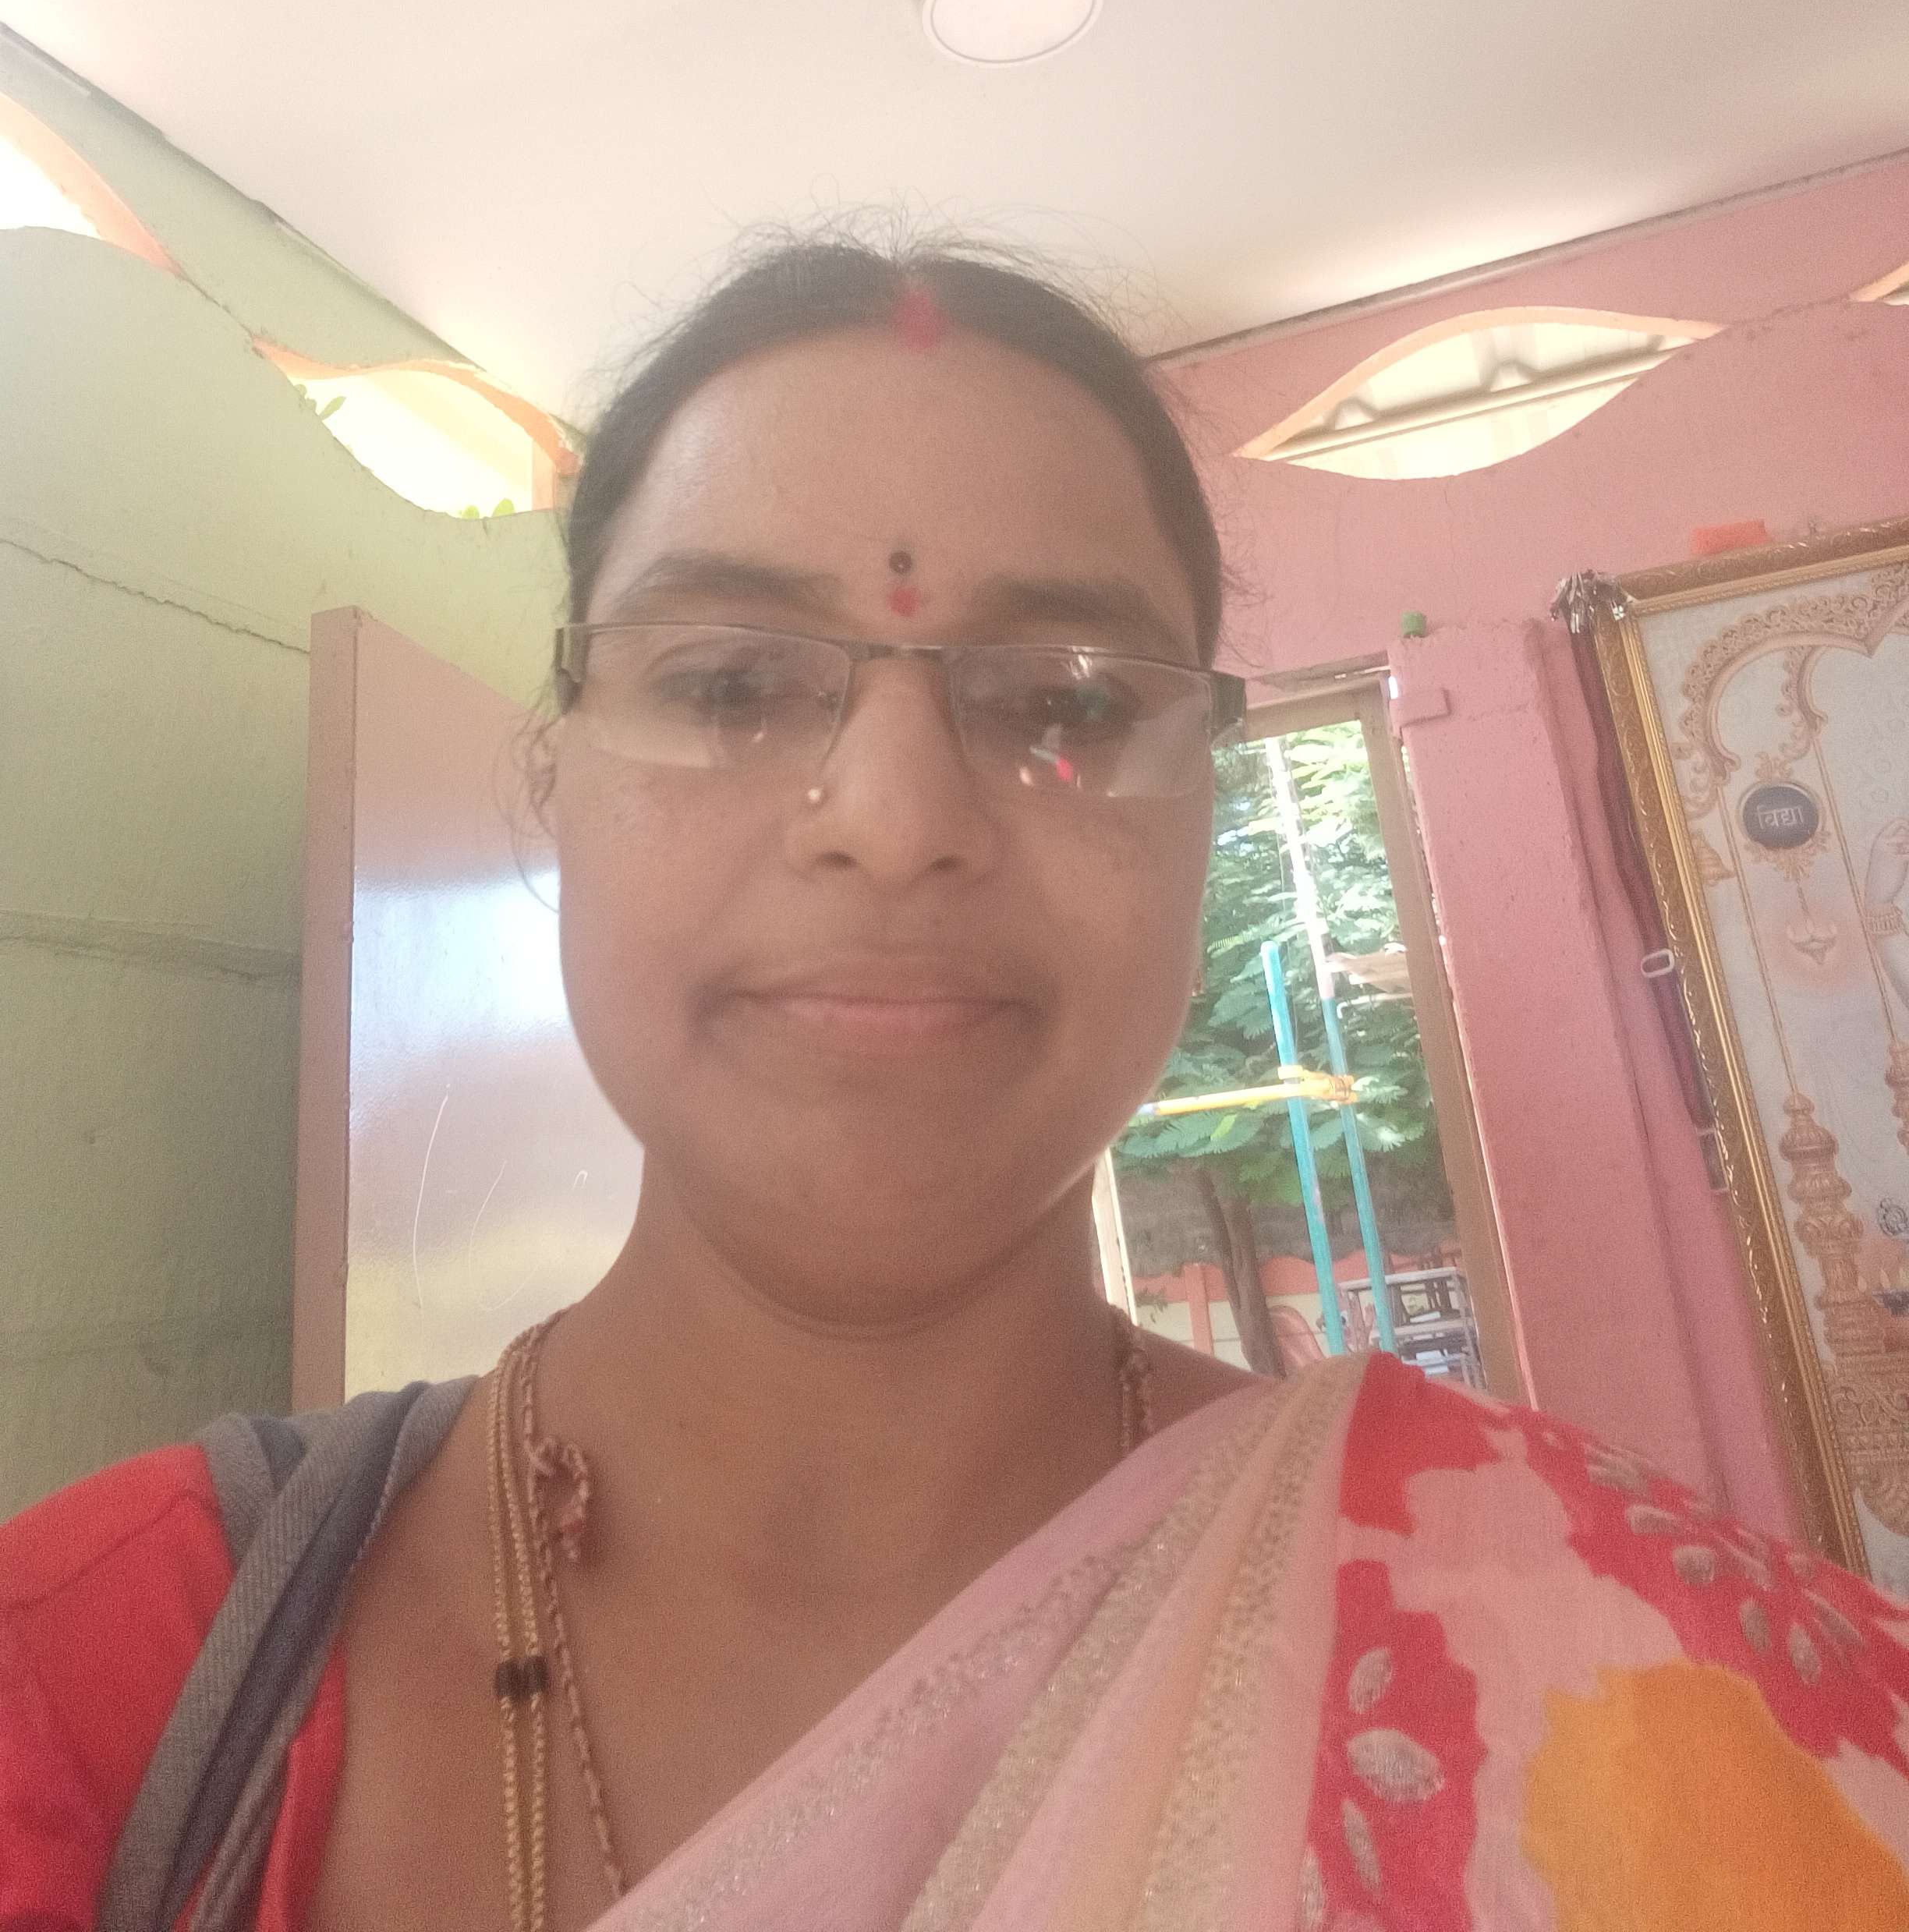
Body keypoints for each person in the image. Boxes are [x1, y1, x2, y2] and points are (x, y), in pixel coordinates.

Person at [7, 233, 1909, 1932]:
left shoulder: (1635, 1695)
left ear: (1204, 809)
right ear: (554, 780)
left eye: (1067, 699)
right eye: (732, 683)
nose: (898, 817)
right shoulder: (97, 1680)